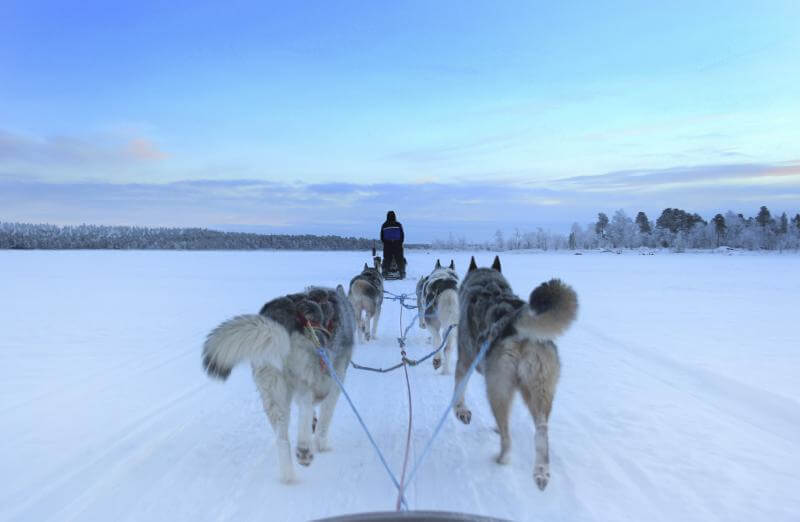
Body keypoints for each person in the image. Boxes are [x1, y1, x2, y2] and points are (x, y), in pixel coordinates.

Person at [380, 210, 405, 278]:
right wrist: (399, 243)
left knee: (387, 259)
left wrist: (385, 243)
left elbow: (382, 236)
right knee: (400, 259)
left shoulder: (384, 225)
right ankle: (402, 273)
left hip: (387, 245)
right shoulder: (398, 224)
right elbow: (402, 235)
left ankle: (385, 273)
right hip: (397, 245)